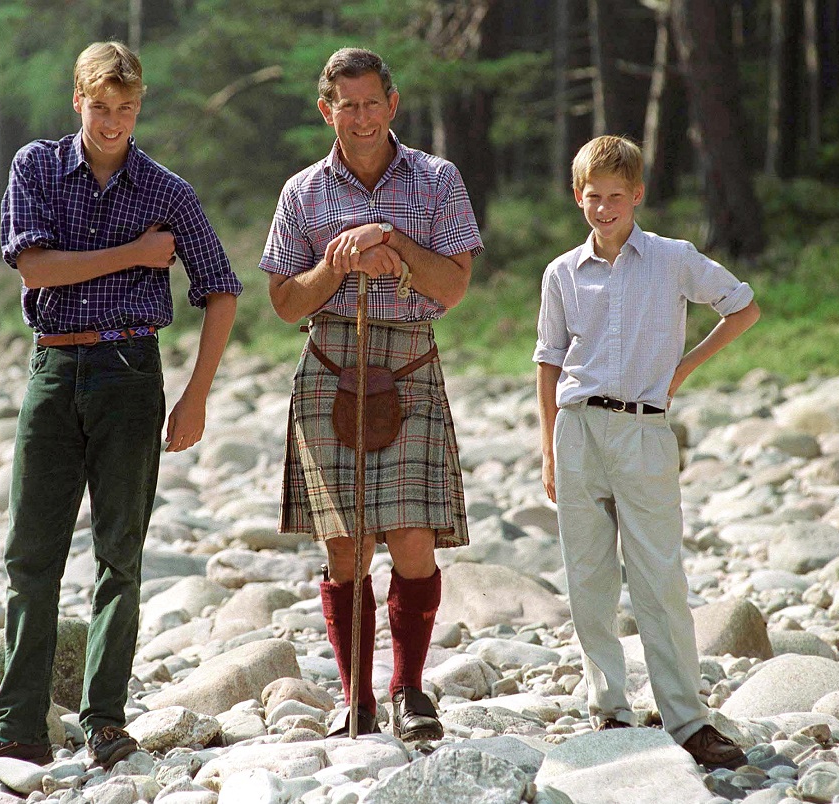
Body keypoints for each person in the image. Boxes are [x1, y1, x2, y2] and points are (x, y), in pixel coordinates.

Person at [0, 41, 241, 782]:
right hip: (53, 369)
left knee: (120, 556)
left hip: (131, 374)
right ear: (77, 100)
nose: (113, 122)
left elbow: (222, 289)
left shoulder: (167, 189)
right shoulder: (36, 168)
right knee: (30, 558)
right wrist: (136, 254)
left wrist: (196, 396)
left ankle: (105, 723)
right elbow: (35, 266)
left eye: (127, 108)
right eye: (100, 106)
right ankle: (19, 732)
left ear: (140, 107)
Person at [259, 48, 482, 741]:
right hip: (329, 363)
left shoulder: (438, 180)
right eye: (346, 106)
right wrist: (340, 261)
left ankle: (409, 691)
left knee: (413, 539)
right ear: (326, 111)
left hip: (410, 361)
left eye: (371, 103)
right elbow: (284, 303)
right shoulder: (302, 193)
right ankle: (356, 699)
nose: (361, 118)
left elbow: (453, 287)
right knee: (345, 547)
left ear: (393, 104)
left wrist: (392, 240)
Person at [535, 135, 759, 769]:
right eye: (593, 196)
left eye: (616, 196)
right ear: (577, 197)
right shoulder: (561, 273)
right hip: (577, 431)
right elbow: (549, 361)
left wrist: (681, 371)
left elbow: (743, 308)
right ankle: (609, 711)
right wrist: (548, 450)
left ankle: (688, 720)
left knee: (659, 579)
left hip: (644, 431)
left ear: (637, 195)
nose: (604, 208)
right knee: (589, 579)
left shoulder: (672, 259)